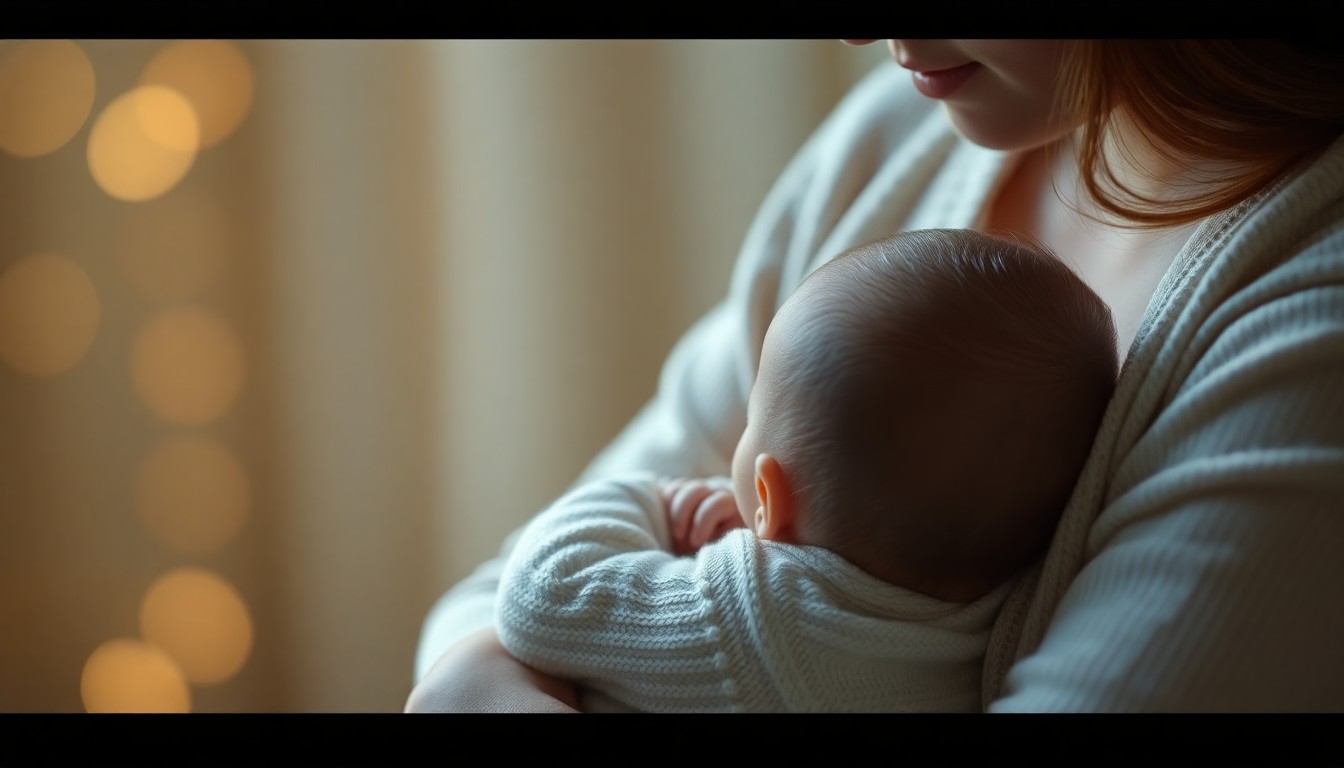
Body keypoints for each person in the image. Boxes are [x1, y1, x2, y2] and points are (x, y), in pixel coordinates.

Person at [406, 40, 1344, 713]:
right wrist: (469, 665)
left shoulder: (1309, 316)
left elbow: (520, 592)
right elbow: (474, 600)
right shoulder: (903, 137)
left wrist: (483, 671)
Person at [492, 228, 1119, 712]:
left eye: (751, 414)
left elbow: (543, 593)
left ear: (766, 494)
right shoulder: (980, 643)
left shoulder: (742, 618)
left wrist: (648, 503)